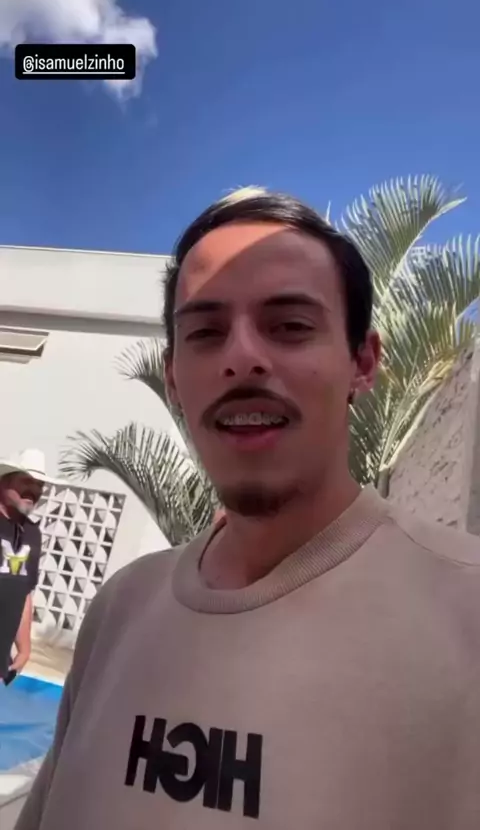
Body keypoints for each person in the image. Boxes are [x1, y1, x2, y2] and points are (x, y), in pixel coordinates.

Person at [16, 189, 480, 830]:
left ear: (363, 362)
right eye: (205, 333)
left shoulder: (465, 612)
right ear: (174, 380)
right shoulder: (120, 609)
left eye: (290, 326)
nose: (242, 358)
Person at [0, 449, 45, 684]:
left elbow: (23, 592)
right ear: (4, 482)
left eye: (39, 485)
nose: (33, 490)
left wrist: (24, 647)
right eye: (26, 481)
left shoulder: (32, 534)